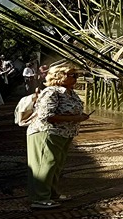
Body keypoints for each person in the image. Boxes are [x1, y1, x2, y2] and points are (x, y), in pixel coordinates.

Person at [25, 62, 91, 209]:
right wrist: (75, 119)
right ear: (58, 76)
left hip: (65, 133)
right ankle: (39, 198)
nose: (75, 77)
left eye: (76, 75)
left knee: (56, 164)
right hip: (47, 132)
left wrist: (80, 116)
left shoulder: (69, 92)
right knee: (44, 164)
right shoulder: (51, 92)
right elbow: (46, 116)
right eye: (71, 75)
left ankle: (51, 193)